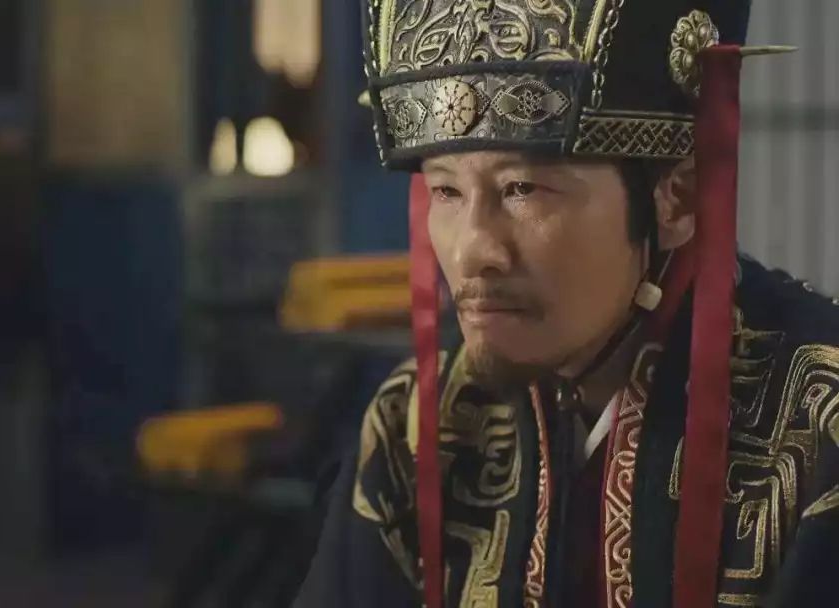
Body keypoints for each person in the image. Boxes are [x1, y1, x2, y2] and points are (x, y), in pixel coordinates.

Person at [294, 1, 839, 607]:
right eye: (446, 190)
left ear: (677, 198)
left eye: (521, 188)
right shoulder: (417, 426)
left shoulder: (821, 424)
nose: (473, 250)